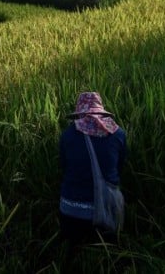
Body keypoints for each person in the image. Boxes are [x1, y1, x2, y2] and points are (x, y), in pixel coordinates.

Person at [59, 91, 127, 245]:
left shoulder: (67, 135)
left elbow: (63, 167)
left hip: (70, 210)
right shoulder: (118, 134)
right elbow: (119, 168)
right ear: (101, 111)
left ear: (79, 114)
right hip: (107, 210)